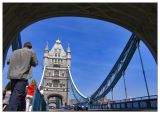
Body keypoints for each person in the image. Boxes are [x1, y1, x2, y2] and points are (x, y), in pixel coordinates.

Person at [7, 42, 38, 111]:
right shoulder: (31, 52)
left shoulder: (15, 52)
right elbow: (35, 63)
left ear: (24, 46)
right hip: (22, 76)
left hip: (12, 75)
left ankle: (20, 109)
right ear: (30, 47)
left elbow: (8, 62)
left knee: (14, 94)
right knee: (17, 94)